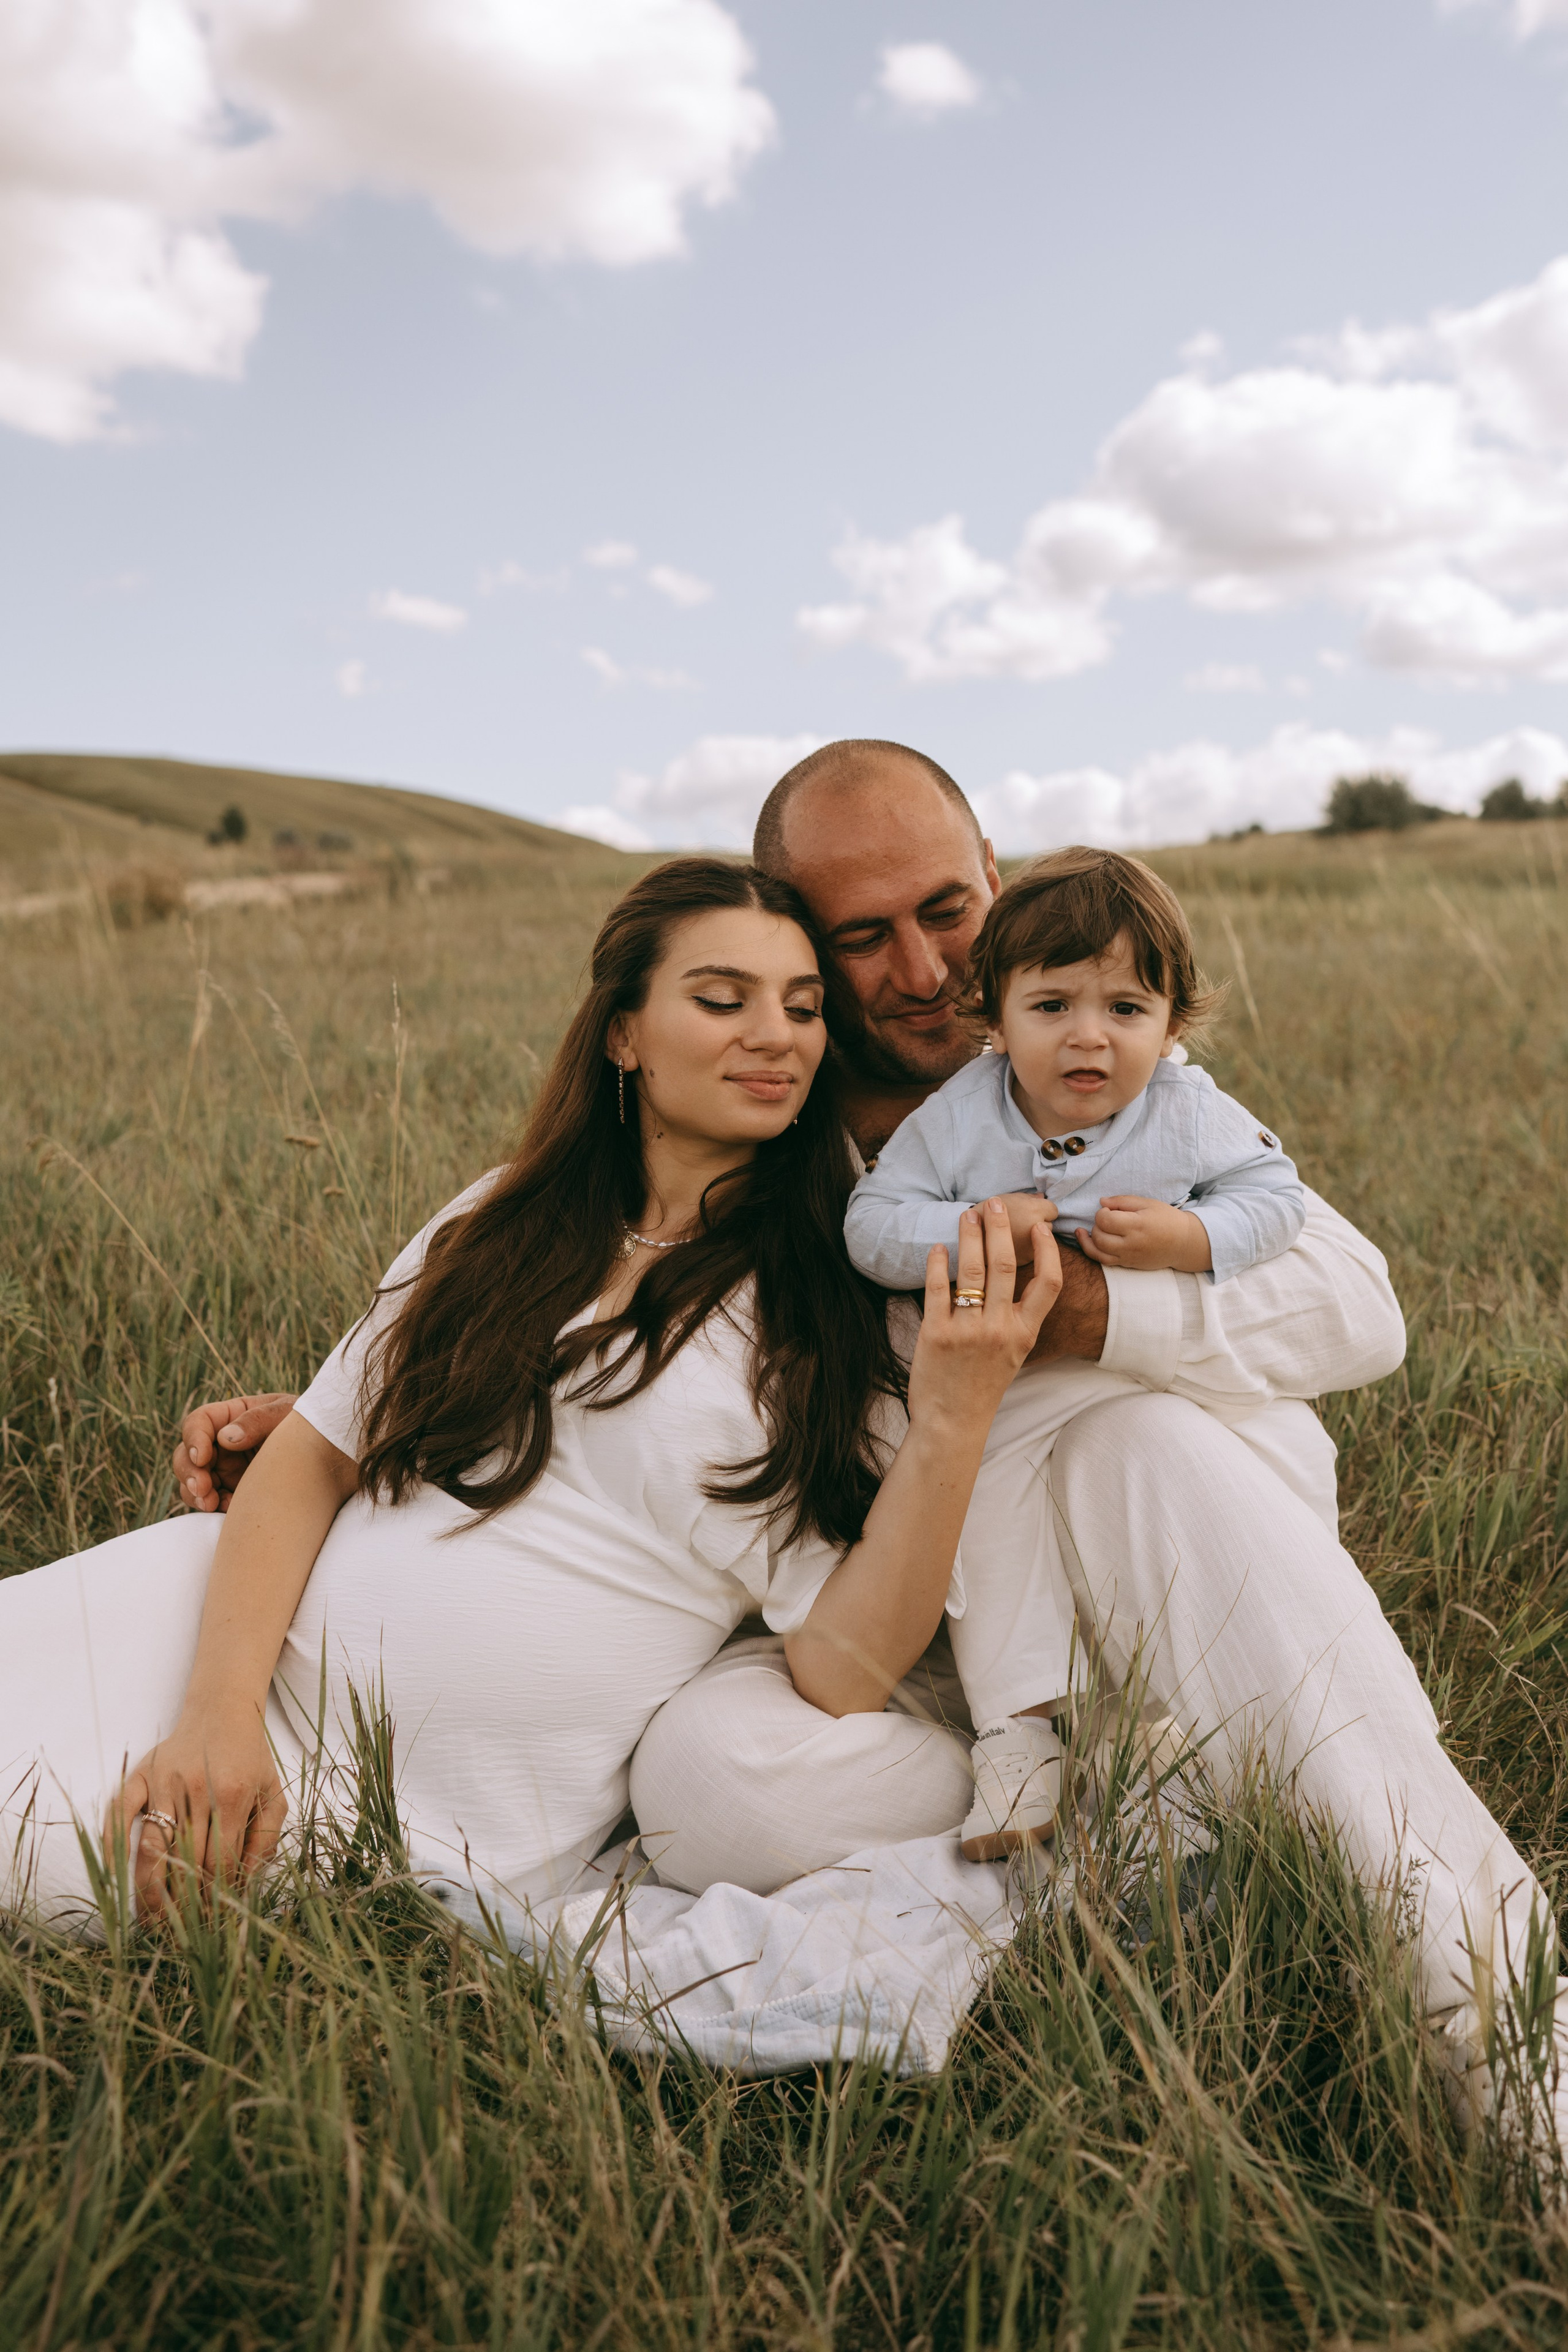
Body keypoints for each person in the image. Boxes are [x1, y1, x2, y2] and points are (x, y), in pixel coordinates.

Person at [173, 741, 1565, 2152]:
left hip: (1161, 1560)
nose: (920, 970)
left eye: (945, 913)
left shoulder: (1106, 1077)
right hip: (930, 1648)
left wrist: (1077, 1313)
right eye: (860, 938)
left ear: (998, 892)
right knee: (701, 1784)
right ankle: (1134, 1848)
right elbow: (658, 1378)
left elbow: (1355, 1305)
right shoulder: (780, 1150)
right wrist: (387, 1416)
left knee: (1137, 1453)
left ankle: (1507, 2046)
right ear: (801, 956)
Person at [1, 858, 1058, 1928]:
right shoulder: (503, 1219)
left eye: (803, 1006)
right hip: (215, 1639)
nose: (776, 1034)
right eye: (721, 999)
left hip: (420, 1803)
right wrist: (217, 1718)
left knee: (52, 1868)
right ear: (624, 1034)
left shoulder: (829, 1303)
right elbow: (316, 1457)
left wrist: (954, 1419)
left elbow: (840, 1669)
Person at [844, 846, 1310, 1857]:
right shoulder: (961, 1115)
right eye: (1051, 1007)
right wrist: (973, 1224)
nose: (1088, 1038)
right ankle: (1021, 1730)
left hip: (1162, 1374)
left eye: (1127, 1011)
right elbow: (871, 1223)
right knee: (989, 1499)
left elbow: (1278, 1203)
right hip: (1019, 1381)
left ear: (1172, 1023)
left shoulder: (1186, 1112)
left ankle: (1225, 1706)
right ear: (994, 1018)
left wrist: (1190, 1240)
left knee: (1254, 1473)